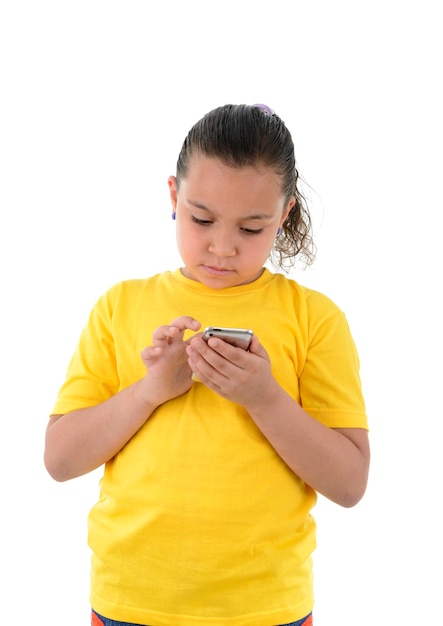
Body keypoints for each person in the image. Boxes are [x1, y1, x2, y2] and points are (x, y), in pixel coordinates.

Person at [44, 103, 370, 626]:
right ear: (173, 196)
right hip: (131, 601)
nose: (222, 246)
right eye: (201, 219)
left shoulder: (315, 318)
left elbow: (350, 484)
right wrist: (151, 390)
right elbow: (59, 461)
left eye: (251, 228)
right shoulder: (119, 306)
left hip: (266, 609)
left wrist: (264, 398)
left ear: (284, 215)